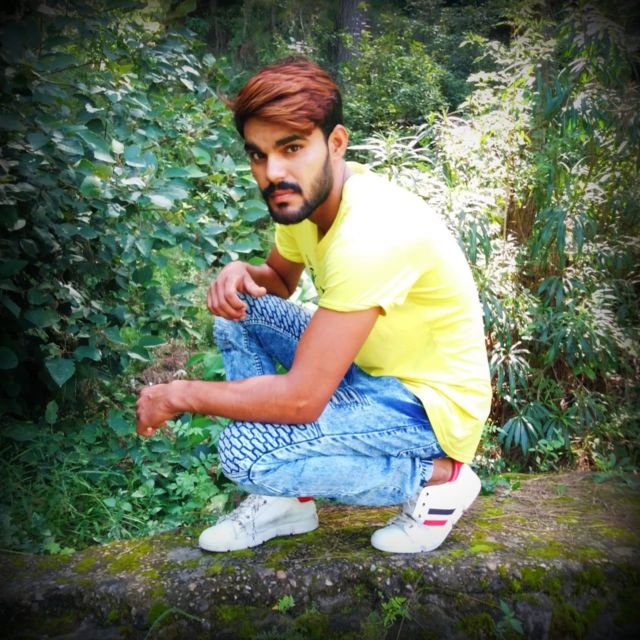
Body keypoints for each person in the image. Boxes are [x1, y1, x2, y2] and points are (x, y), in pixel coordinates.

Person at [135, 57, 492, 554]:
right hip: (366, 370)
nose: (272, 173)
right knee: (242, 310)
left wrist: (180, 394)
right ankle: (287, 501)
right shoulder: (304, 202)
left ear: (336, 143)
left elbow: (302, 400)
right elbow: (279, 281)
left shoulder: (371, 232)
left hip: (428, 408)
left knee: (245, 452)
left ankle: (439, 477)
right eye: (258, 155)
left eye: (292, 148)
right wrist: (240, 272)